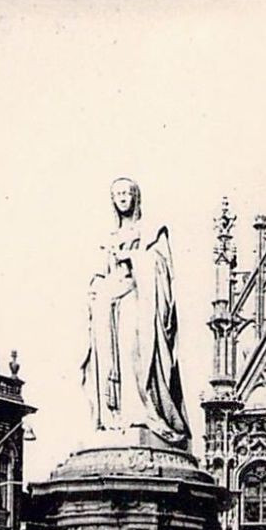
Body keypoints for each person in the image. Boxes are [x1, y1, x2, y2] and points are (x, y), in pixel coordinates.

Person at [81, 177, 192, 445]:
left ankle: (141, 411)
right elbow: (98, 274)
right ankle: (115, 416)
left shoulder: (152, 231)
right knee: (110, 359)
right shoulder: (109, 238)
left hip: (138, 299)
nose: (122, 197)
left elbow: (163, 269)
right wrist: (96, 289)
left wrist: (132, 258)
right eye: (117, 193)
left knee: (135, 353)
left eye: (127, 193)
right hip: (110, 305)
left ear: (136, 197)